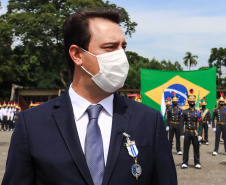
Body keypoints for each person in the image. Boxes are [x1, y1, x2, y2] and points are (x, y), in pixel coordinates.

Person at [2, 8, 177, 185]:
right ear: (77, 55)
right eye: (110, 48)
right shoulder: (32, 123)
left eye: (122, 47)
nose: (121, 57)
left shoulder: (148, 120)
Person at [181, 89, 203, 169]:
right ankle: (185, 162)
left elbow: (200, 124)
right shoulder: (185, 112)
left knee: (196, 148)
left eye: (193, 101)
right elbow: (181, 123)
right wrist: (181, 133)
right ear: (188, 102)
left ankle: (197, 162)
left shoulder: (198, 112)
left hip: (195, 133)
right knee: (186, 148)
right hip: (187, 132)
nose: (192, 103)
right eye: (190, 101)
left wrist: (200, 134)